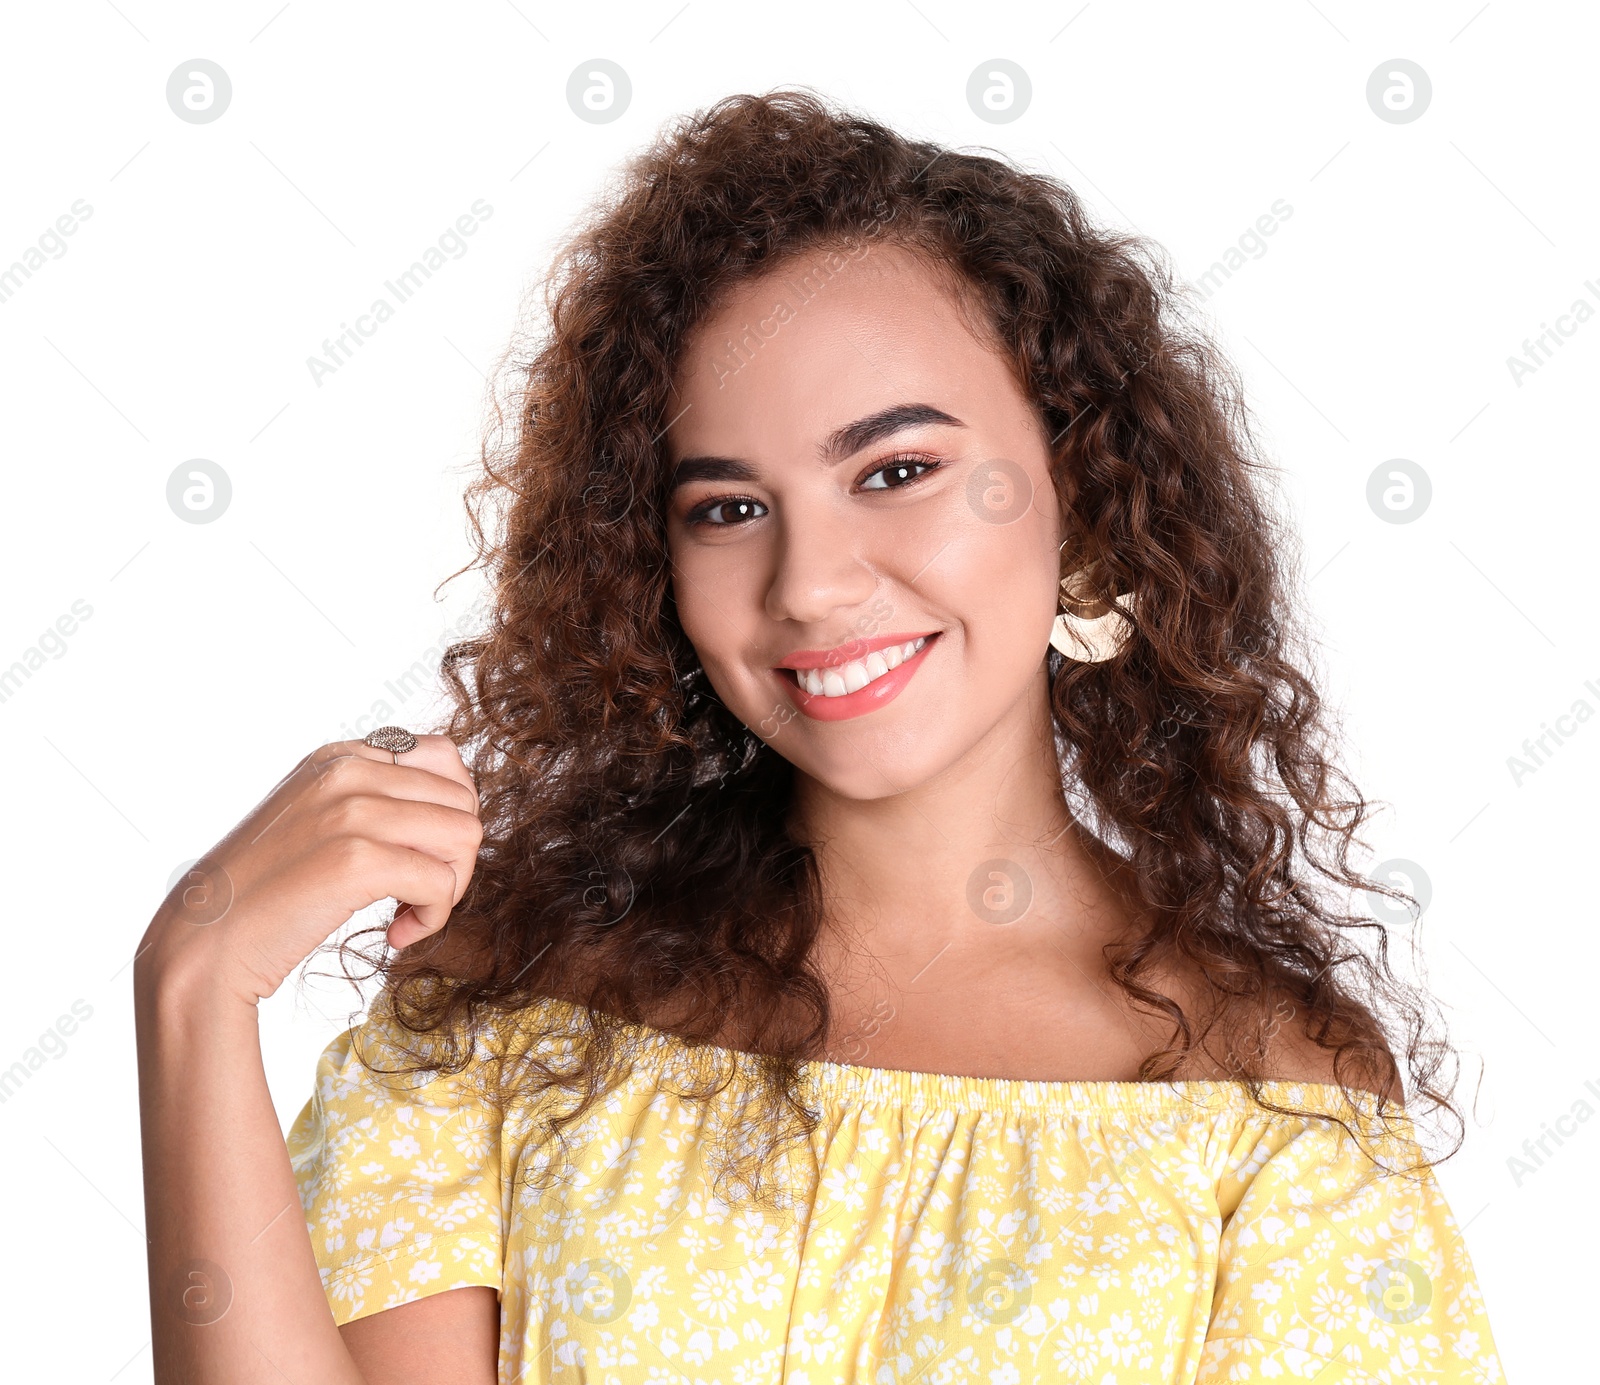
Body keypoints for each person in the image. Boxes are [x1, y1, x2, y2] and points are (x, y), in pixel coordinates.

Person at [134, 89, 1505, 1383]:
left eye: (896, 471)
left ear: (1081, 494)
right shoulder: (514, 1010)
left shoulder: (1272, 1104)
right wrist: (196, 984)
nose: (809, 583)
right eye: (727, 507)